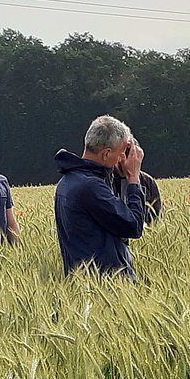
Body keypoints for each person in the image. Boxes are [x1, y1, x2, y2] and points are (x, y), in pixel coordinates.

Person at [54, 115, 148, 277]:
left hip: (85, 281)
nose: (122, 159)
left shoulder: (68, 180)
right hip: (106, 284)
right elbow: (133, 226)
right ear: (105, 154)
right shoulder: (91, 187)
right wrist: (133, 178)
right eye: (120, 153)